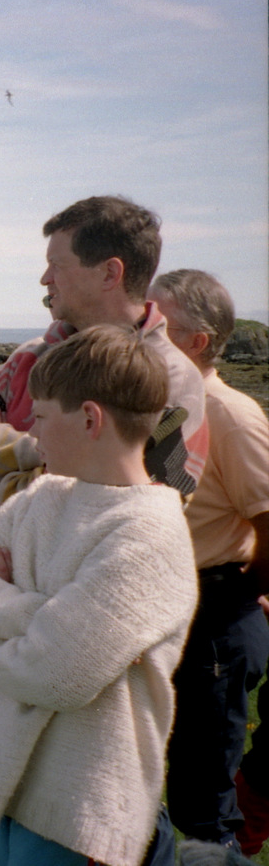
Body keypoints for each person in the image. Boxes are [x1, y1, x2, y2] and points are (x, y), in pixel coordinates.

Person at [0, 195, 209, 866]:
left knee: (78, 811)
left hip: (92, 669)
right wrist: (31, 451)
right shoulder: (33, 357)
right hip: (13, 627)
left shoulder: (169, 381)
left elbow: (149, 498)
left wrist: (13, 477)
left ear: (110, 271)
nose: (44, 279)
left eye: (56, 264)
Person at [148, 270, 269, 850]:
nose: (141, 334)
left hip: (213, 618)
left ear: (197, 341)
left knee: (202, 807)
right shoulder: (161, 411)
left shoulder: (230, 414)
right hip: (162, 611)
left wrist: (243, 591)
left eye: (158, 325)